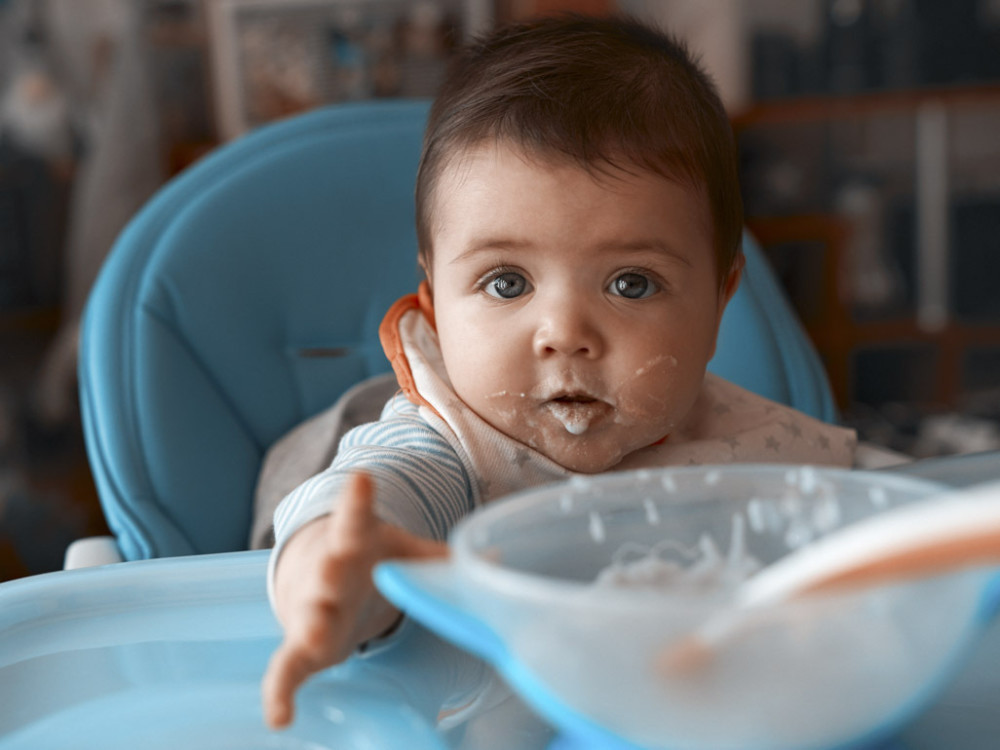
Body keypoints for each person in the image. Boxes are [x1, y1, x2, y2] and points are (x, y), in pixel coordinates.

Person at [261, 13, 856, 729]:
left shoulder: (747, 448)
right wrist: (337, 576)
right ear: (436, 306)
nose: (565, 335)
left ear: (719, 298)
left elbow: (897, 527)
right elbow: (375, 500)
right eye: (507, 283)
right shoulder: (448, 450)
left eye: (631, 284)